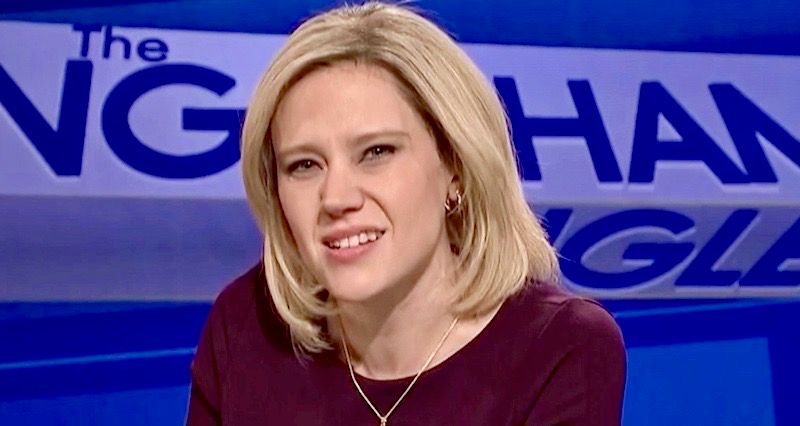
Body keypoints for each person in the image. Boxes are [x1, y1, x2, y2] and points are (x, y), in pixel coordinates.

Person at [186, 2, 626, 425]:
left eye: (376, 152)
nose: (335, 198)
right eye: (304, 165)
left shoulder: (559, 348)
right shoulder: (246, 325)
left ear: (456, 167)